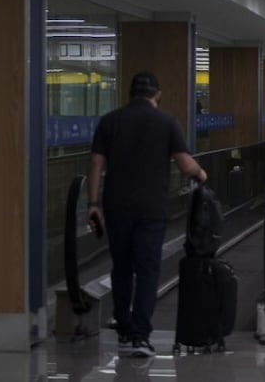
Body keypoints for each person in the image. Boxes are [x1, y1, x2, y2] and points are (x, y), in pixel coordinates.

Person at [87, 71, 207, 358]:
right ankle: (141, 335)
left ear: (129, 94)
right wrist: (201, 174)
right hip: (152, 208)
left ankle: (124, 326)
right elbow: (184, 164)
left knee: (121, 267)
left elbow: (95, 164)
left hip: (117, 206)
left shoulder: (110, 121)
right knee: (148, 270)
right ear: (158, 94)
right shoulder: (166, 121)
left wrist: (94, 203)